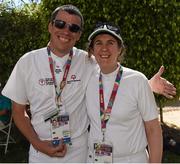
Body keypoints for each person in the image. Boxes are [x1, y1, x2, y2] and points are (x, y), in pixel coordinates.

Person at [1, 4, 175, 163]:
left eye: (74, 28)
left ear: (78, 35)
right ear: (50, 26)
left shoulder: (87, 61)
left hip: (81, 153)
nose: (66, 31)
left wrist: (146, 85)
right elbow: (18, 112)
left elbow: (115, 76)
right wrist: (38, 144)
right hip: (41, 154)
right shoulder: (27, 62)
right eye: (60, 24)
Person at [86, 21, 163, 163]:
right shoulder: (86, 77)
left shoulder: (137, 80)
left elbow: (153, 129)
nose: (104, 48)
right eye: (98, 43)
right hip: (95, 159)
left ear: (120, 49)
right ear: (91, 50)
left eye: (110, 43)